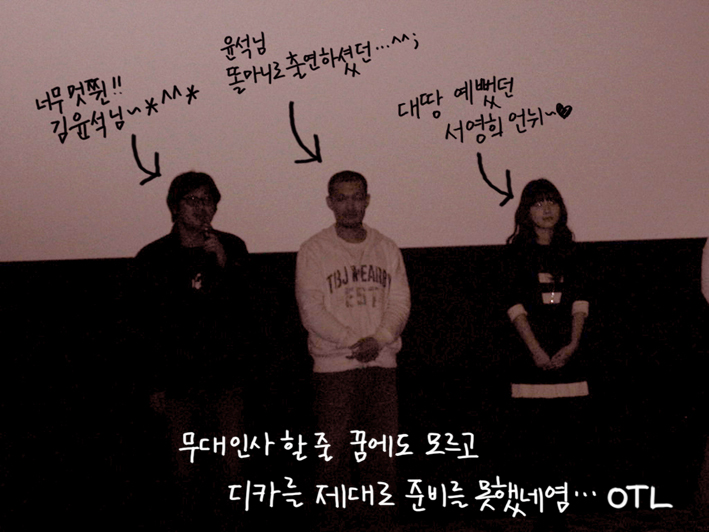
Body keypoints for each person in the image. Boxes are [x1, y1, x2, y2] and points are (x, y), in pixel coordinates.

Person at [132, 171, 250, 528]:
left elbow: (248, 310)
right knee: (184, 472)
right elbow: (147, 326)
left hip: (226, 378)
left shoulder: (233, 248)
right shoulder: (153, 256)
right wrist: (154, 382)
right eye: (192, 200)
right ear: (175, 207)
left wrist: (224, 265)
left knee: (233, 468)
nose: (202, 208)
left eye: (208, 200)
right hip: (178, 383)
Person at [295, 170, 410, 530]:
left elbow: (400, 302)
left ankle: (380, 525)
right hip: (334, 369)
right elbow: (311, 310)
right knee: (333, 459)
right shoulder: (314, 249)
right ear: (330, 202)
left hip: (382, 364)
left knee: (382, 458)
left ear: (367, 200)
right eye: (341, 198)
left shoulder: (386, 247)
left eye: (357, 197)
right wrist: (352, 342)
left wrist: (380, 338)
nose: (350, 205)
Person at [502, 178, 591, 531]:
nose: (547, 209)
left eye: (552, 201)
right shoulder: (515, 253)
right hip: (530, 357)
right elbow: (514, 306)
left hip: (568, 355)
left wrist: (573, 345)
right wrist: (537, 350)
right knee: (533, 442)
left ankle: (560, 514)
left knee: (567, 442)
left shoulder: (573, 251)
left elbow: (581, 302)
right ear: (526, 212)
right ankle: (536, 514)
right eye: (538, 203)